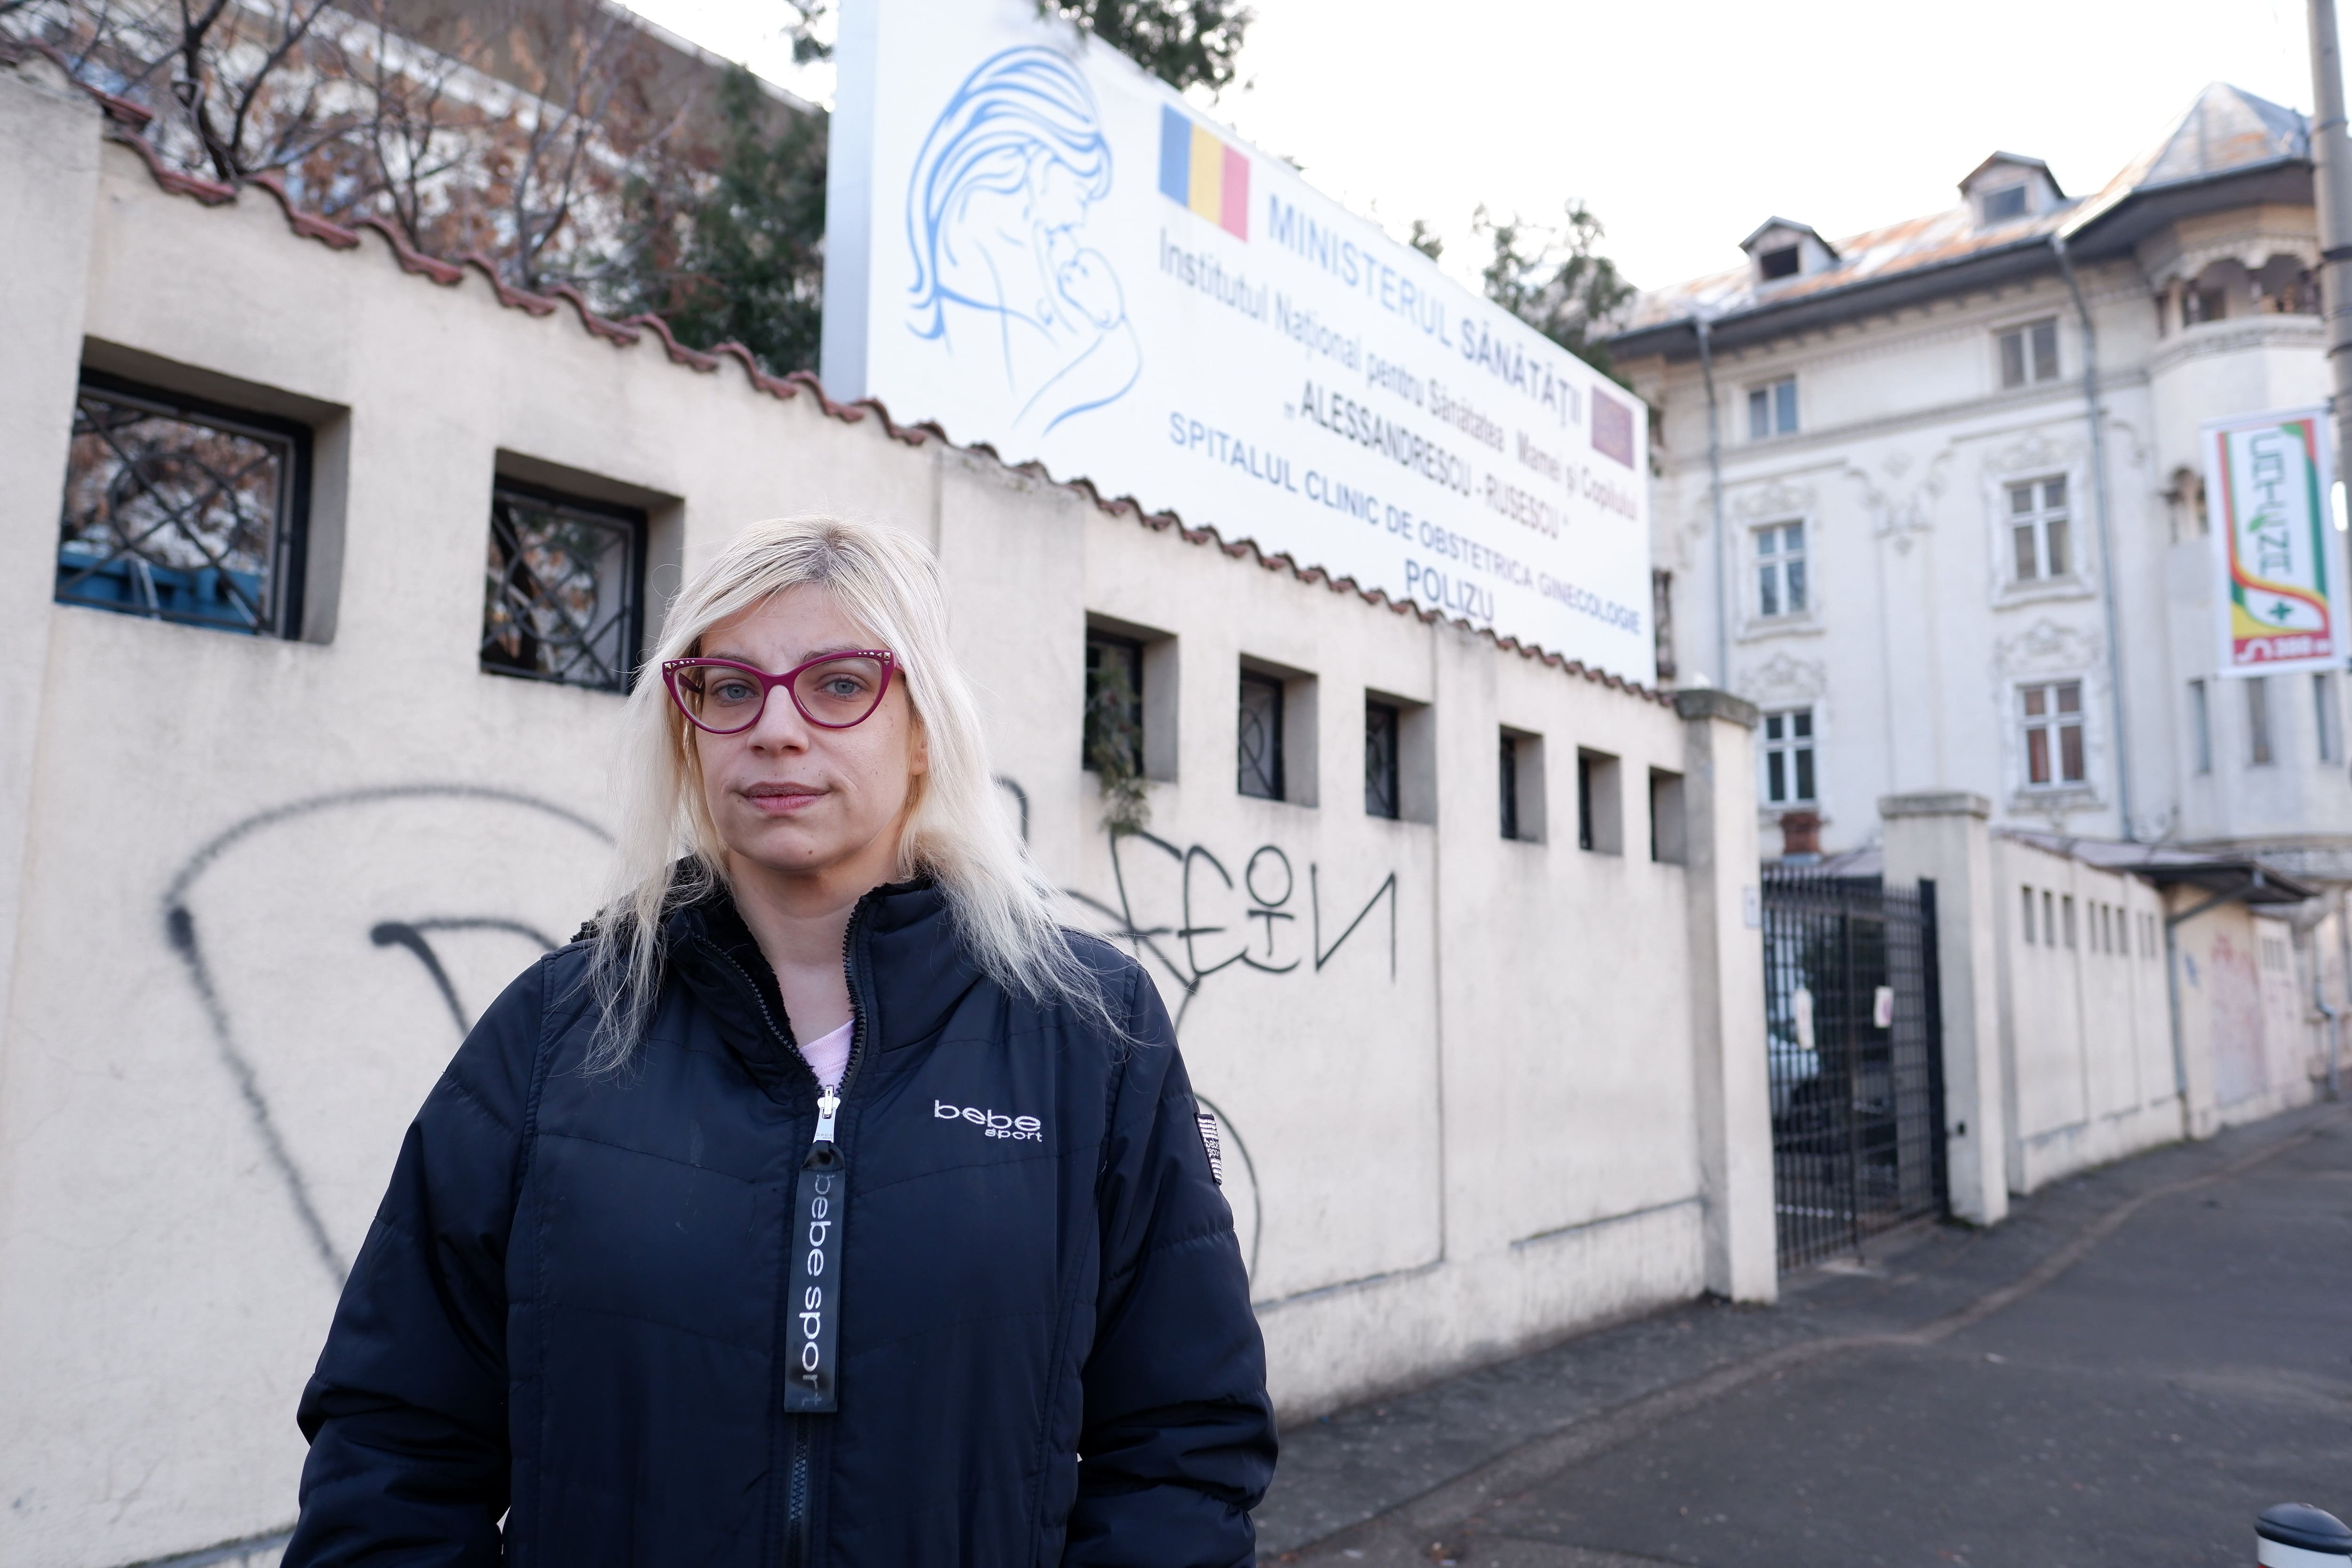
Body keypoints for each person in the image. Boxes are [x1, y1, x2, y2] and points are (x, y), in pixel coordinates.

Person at [285, 515, 1274, 1565]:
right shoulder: (553, 1032)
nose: (776, 729)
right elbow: (394, 1441)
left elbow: (1182, 1442)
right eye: (729, 688)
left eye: (839, 683)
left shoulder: (1089, 1029)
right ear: (689, 727)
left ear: (924, 727)